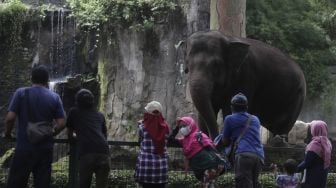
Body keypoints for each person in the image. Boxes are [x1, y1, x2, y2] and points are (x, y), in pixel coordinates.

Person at [4, 65, 66, 188]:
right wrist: (51, 132)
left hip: (24, 148)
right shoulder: (55, 97)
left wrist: (7, 134)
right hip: (45, 149)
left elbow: (10, 118)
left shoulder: (21, 93)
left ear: (31, 79)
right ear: (47, 81)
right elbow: (62, 123)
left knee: (16, 183)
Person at [216, 92, 264, 188]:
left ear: (232, 107)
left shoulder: (229, 119)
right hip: (259, 156)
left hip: (244, 155)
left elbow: (225, 141)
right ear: (246, 107)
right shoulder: (255, 119)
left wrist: (218, 140)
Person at [66, 89, 111, 188]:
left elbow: (70, 133)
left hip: (87, 152)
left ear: (77, 101)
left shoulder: (74, 112)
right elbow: (104, 135)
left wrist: (75, 140)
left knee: (84, 185)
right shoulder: (100, 115)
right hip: (104, 152)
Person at [171, 116, 227, 188]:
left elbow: (212, 147)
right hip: (200, 170)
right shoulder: (184, 141)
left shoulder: (199, 136)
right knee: (210, 185)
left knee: (208, 185)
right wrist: (176, 127)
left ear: (191, 125)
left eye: (184, 126)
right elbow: (170, 141)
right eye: (180, 127)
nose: (182, 128)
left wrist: (219, 162)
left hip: (210, 167)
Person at [134, 101, 170, 188]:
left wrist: (140, 123)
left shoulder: (142, 127)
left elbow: (140, 141)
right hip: (161, 167)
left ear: (148, 113)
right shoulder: (165, 127)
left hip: (146, 166)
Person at [297, 120, 332, 188]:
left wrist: (295, 169)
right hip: (323, 174)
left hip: (312, 176)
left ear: (314, 130)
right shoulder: (327, 143)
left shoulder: (314, 144)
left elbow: (307, 162)